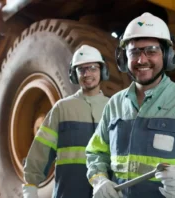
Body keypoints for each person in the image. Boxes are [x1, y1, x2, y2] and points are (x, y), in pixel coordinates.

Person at [85, 12, 175, 198]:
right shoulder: (115, 104)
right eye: (134, 52)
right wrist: (99, 179)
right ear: (123, 58)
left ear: (167, 55)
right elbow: (96, 152)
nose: (142, 60)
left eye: (151, 51)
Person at [22, 44, 110, 198]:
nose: (87, 73)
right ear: (74, 74)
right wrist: (30, 186)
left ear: (102, 71)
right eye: (81, 69)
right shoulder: (62, 109)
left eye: (93, 68)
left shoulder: (112, 108)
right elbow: (41, 149)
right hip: (69, 192)